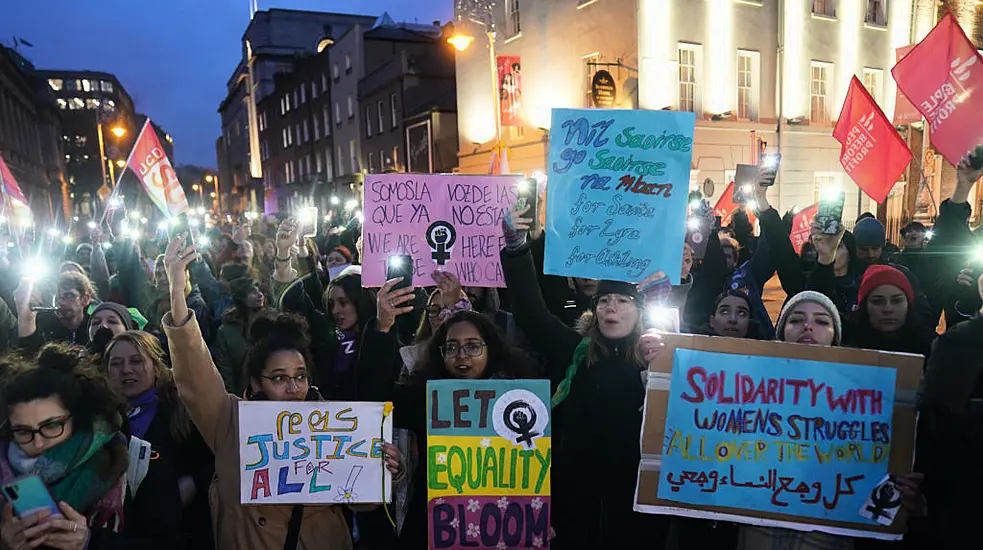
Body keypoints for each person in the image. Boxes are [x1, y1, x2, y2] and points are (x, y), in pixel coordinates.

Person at [159, 236, 401, 550]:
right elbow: (194, 370)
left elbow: (361, 501)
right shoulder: (229, 420)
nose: (293, 387)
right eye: (279, 377)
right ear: (256, 383)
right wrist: (177, 291)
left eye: (300, 376)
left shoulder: (334, 422)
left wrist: (385, 471)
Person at [498, 204, 668, 548]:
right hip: (577, 506)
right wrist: (517, 249)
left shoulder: (656, 358)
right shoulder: (574, 351)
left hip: (636, 510)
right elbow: (532, 313)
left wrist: (662, 367)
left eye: (622, 301)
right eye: (605, 300)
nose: (611, 308)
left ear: (638, 312)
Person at [358, 297, 533, 548]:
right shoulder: (428, 398)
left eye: (472, 346)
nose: (461, 356)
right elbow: (377, 398)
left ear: (490, 349)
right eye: (451, 347)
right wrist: (382, 329)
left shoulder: (519, 402)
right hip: (433, 529)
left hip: (501, 528)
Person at [0, 344, 182, 549]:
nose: (38, 443)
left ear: (79, 417)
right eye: (23, 431)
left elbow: (168, 543)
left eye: (52, 425)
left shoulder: (138, 462)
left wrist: (90, 542)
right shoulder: (4, 467)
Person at [103, 330, 214, 549]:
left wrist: (192, 483)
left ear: (155, 365)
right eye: (116, 364)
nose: (126, 369)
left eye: (136, 361)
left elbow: (220, 458)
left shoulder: (183, 410)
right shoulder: (99, 416)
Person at [15, 271, 98, 353]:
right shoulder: (44, 325)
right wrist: (26, 319)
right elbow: (27, 354)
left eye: (69, 296)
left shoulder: (95, 326)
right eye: (57, 297)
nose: (61, 302)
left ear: (85, 299)